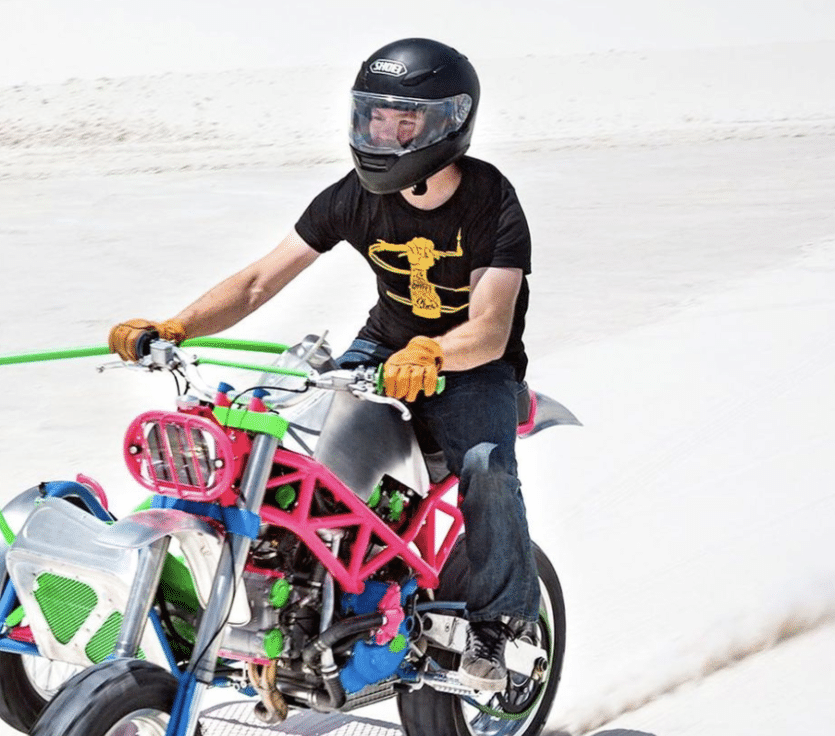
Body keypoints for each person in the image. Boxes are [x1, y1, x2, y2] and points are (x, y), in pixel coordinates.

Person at [108, 37, 542, 696]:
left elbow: (489, 326)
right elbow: (258, 280)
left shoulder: (489, 199)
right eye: (374, 115)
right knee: (299, 442)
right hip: (383, 345)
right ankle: (305, 595)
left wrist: (432, 352)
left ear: (448, 122)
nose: (383, 131)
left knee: (484, 464)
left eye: (404, 120)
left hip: (470, 365)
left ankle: (502, 622)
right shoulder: (352, 197)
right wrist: (177, 327)